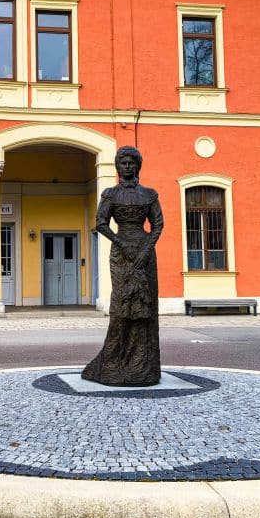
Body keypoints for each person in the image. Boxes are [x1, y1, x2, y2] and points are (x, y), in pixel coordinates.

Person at [82, 146, 164, 386]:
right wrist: (121, 243)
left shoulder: (149, 194)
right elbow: (101, 223)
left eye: (131, 163)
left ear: (137, 165)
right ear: (118, 167)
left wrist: (146, 249)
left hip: (145, 252)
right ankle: (114, 361)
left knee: (144, 306)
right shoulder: (110, 194)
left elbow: (158, 224)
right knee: (121, 306)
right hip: (120, 254)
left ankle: (143, 364)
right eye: (123, 163)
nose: (127, 166)